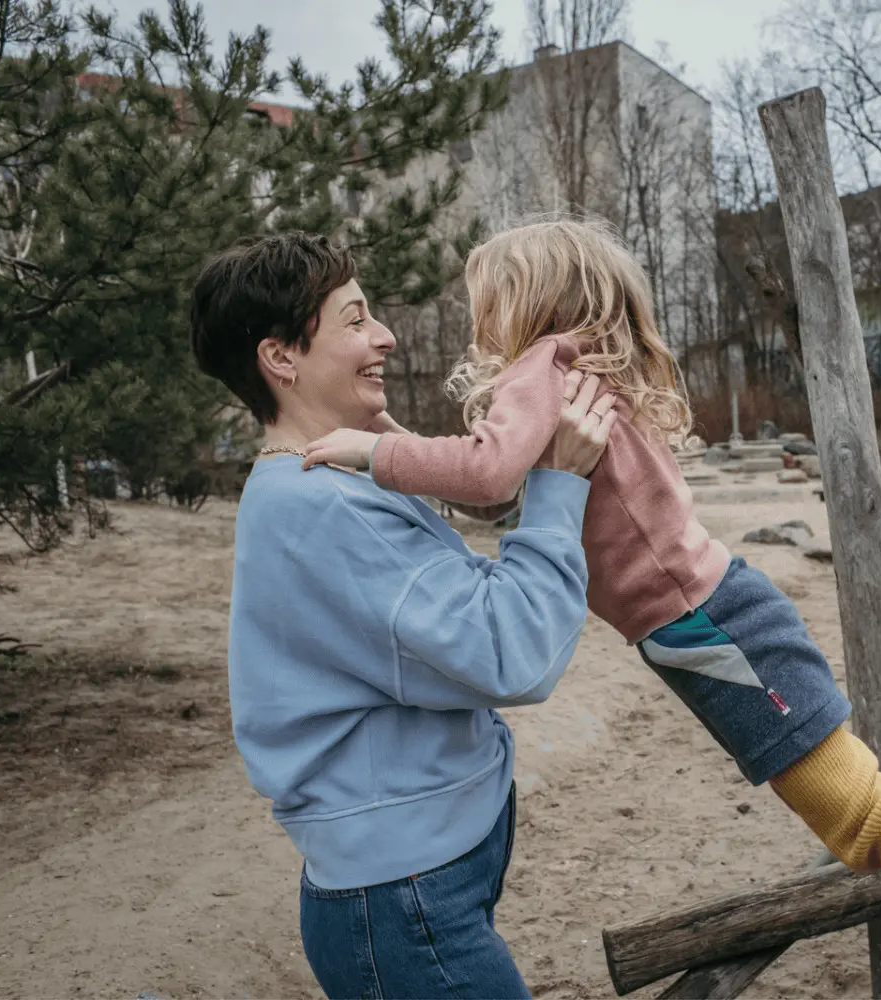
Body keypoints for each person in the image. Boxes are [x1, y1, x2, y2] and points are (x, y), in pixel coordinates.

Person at [300, 219, 881, 1000]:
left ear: (527, 303)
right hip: (719, 617)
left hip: (713, 630)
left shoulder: (541, 368)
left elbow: (484, 475)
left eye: (486, 303)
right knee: (855, 790)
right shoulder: (579, 372)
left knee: (852, 810)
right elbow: (505, 492)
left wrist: (374, 452)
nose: (478, 325)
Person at [189, 230, 620, 999]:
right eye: (354, 320)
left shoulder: (332, 483)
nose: (384, 335)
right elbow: (510, 652)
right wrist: (559, 485)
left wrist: (404, 450)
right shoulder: (320, 508)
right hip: (404, 906)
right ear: (281, 357)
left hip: (414, 885)